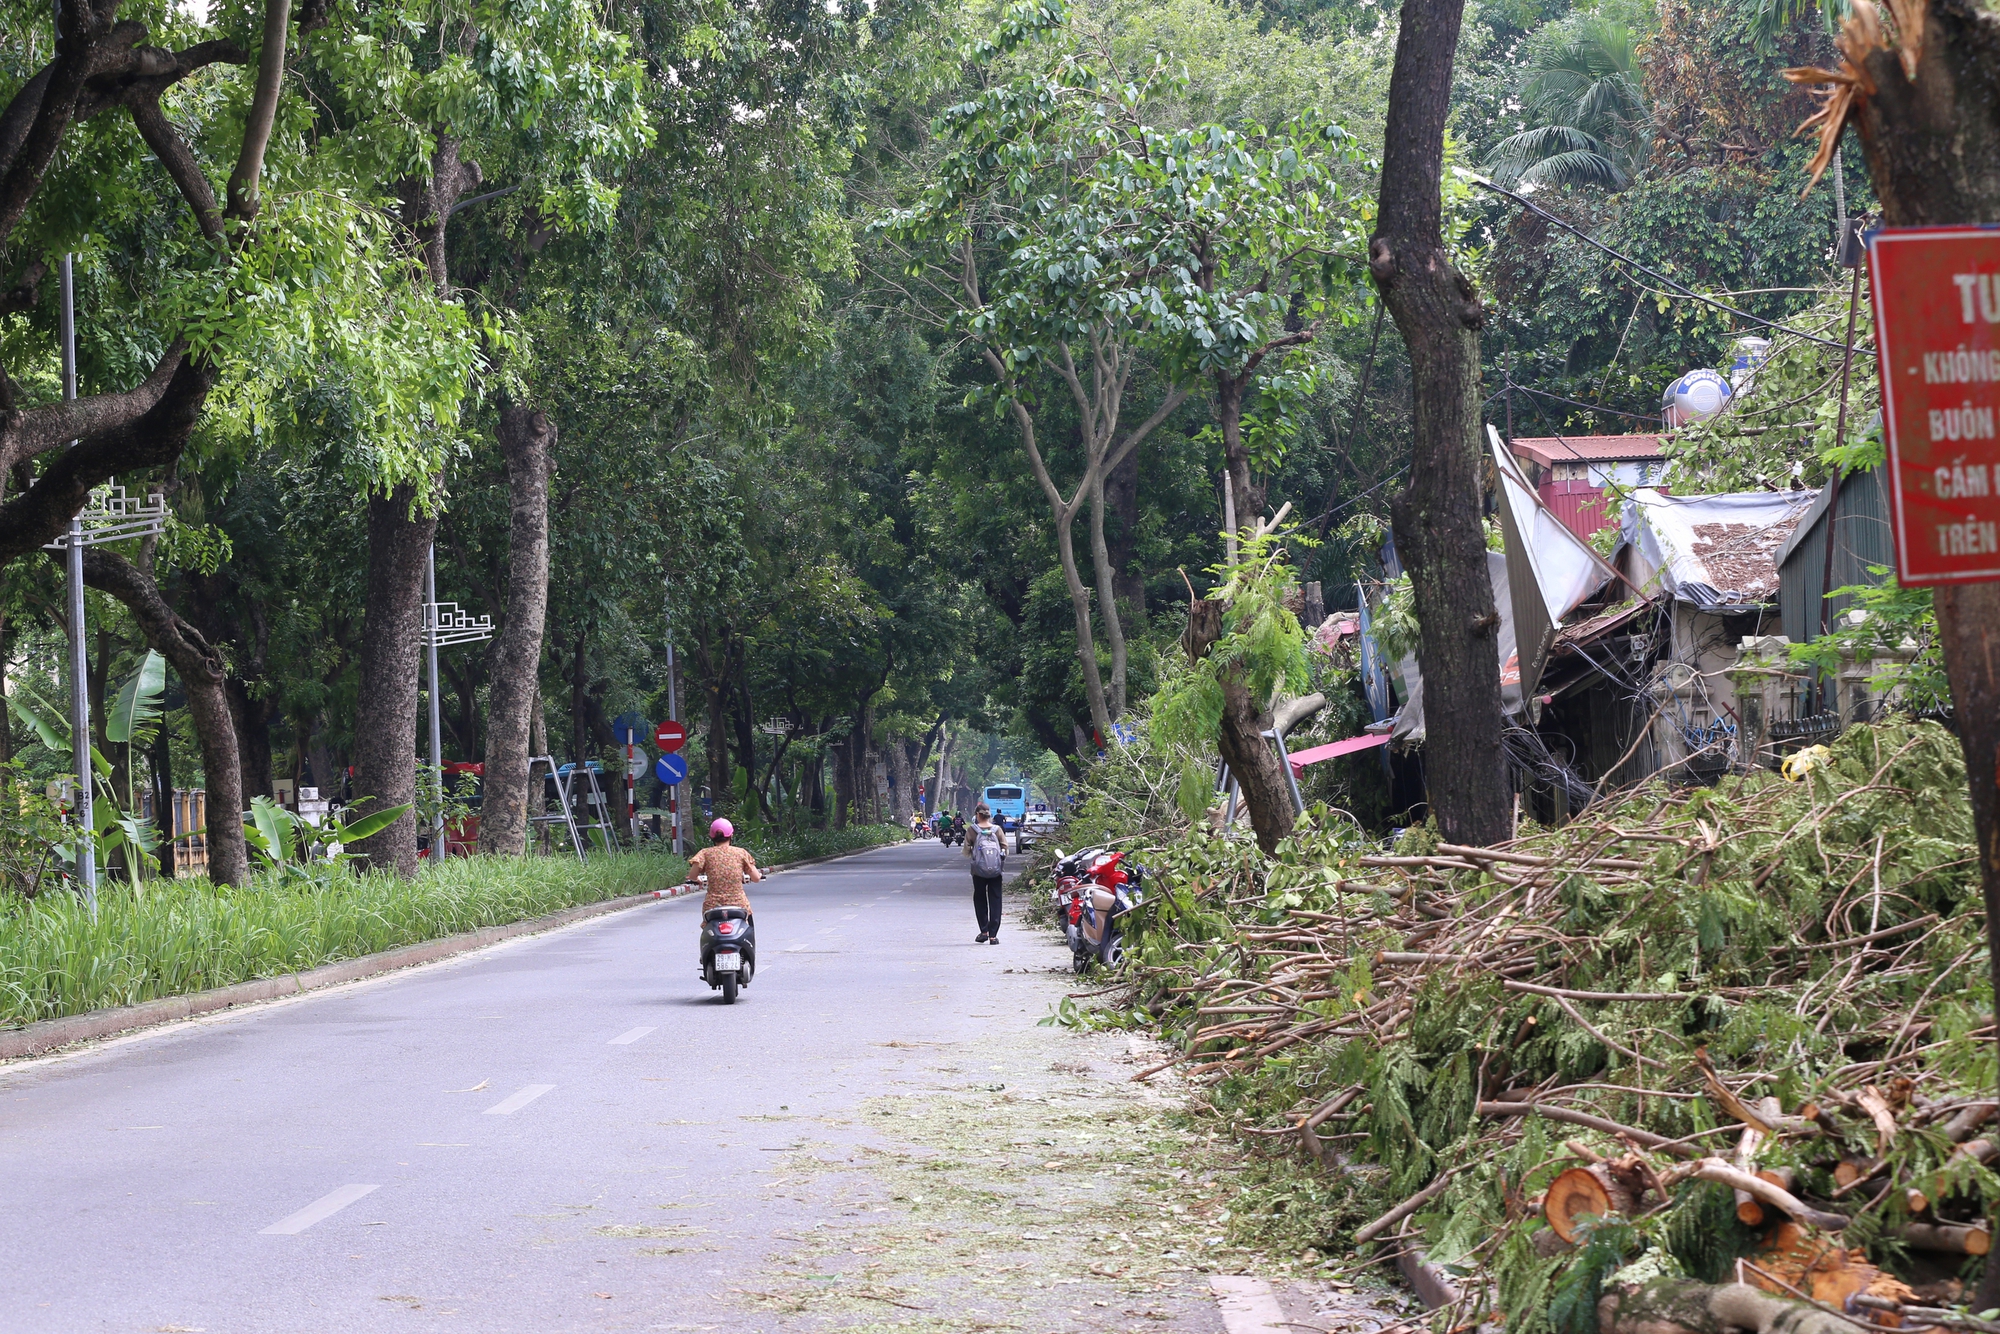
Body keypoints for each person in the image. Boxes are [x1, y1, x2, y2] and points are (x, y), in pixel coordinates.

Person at [687, 817, 762, 914]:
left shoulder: (704, 853)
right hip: (738, 904)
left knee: (707, 926)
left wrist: (697, 880)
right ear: (731, 835)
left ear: (712, 836)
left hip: (712, 906)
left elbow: (692, 876)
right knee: (748, 921)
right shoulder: (741, 853)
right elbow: (756, 878)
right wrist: (758, 875)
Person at [964, 803, 1005, 944]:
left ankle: (984, 931)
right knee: (996, 899)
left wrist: (976, 856)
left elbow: (966, 848)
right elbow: (1005, 847)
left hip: (979, 871)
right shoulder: (997, 829)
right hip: (996, 871)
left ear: (977, 815)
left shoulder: (972, 830)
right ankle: (993, 936)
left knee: (980, 898)